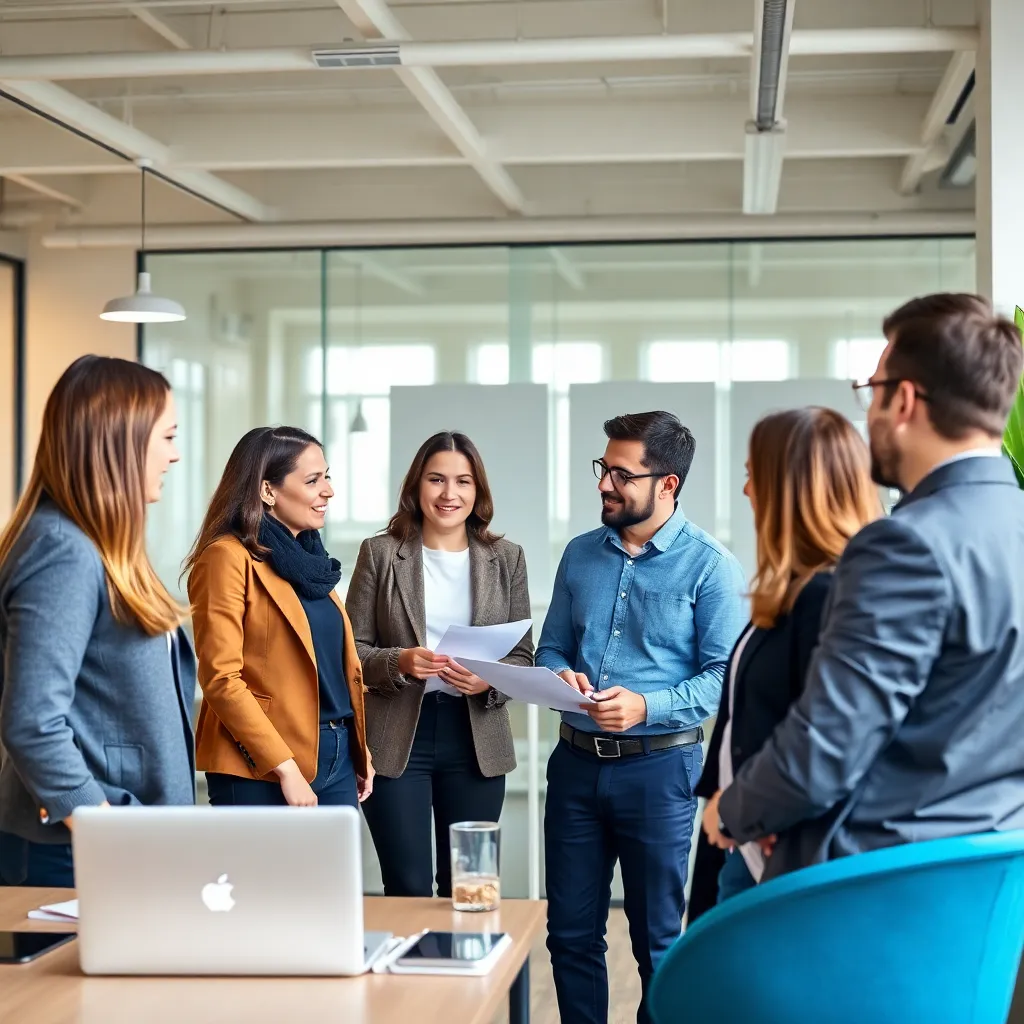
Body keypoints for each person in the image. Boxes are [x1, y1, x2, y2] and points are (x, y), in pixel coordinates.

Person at [717, 293, 1024, 877]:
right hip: (987, 883)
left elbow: (824, 752)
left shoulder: (905, 544)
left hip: (872, 887)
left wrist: (730, 813)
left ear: (904, 400)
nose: (870, 414)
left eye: (873, 391)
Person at [536, 410, 747, 1024]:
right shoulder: (580, 555)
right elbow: (552, 646)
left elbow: (721, 681)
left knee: (657, 940)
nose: (604, 483)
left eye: (622, 474)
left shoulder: (711, 567)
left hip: (661, 771)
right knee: (570, 935)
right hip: (573, 765)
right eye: (603, 468)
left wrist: (646, 705)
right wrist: (561, 675)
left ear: (667, 485)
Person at [0, 355, 196, 887]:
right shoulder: (62, 549)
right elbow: (32, 721)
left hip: (124, 838)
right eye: (168, 437)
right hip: (76, 852)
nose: (175, 456)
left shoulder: (101, 547)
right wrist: (100, 825)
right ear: (120, 440)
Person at [687, 407, 879, 922]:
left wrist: (747, 809)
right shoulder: (791, 592)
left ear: (791, 488)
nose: (747, 492)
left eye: (754, 476)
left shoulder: (828, 597)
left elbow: (828, 741)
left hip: (772, 850)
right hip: (736, 837)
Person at [347, 431, 533, 898]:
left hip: (475, 739)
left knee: (470, 887)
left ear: (478, 491)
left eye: (463, 482)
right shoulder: (381, 553)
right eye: (436, 479)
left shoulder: (506, 559)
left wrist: (484, 679)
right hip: (397, 737)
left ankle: (471, 971)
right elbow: (350, 651)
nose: (450, 494)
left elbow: (523, 655)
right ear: (416, 486)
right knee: (407, 886)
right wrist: (400, 660)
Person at [185, 426, 372, 808]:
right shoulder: (226, 557)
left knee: (334, 870)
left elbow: (333, 667)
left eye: (328, 477)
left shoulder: (310, 560)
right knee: (261, 871)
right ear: (268, 491)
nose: (328, 491)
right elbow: (221, 678)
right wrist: (285, 768)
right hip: (261, 763)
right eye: (313, 480)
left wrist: (357, 745)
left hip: (336, 754)